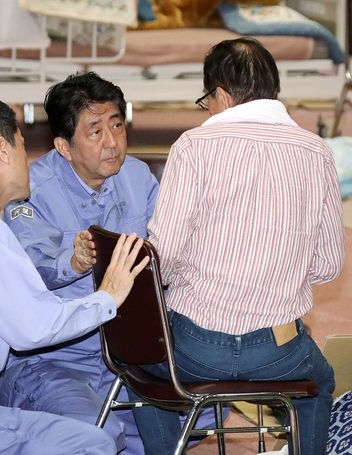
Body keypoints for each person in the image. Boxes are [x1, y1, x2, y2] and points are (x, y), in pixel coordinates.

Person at [127, 38, 346, 455]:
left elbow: (164, 259)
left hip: (193, 350)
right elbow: (329, 265)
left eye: (206, 99)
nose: (207, 108)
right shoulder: (317, 152)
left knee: (138, 363)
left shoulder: (194, 147)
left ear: (222, 95)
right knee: (319, 384)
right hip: (279, 352)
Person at [0, 72, 158, 454]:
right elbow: (28, 292)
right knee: (97, 436)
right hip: (56, 359)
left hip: (125, 352)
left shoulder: (138, 177)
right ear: (64, 148)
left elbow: (163, 252)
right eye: (96, 132)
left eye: (117, 125)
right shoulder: (29, 190)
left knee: (191, 416)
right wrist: (72, 260)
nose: (113, 142)